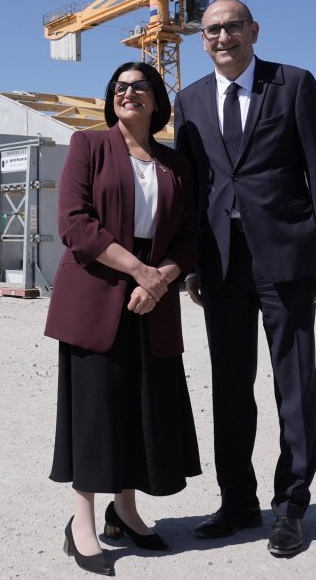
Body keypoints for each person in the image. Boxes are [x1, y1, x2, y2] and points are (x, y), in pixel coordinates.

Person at [174, 0, 316, 557]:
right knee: (229, 387)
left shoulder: (293, 84)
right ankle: (238, 500)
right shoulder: (190, 99)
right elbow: (191, 188)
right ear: (202, 39)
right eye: (212, 30)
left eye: (232, 27)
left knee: (293, 386)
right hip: (221, 263)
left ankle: (291, 505)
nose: (222, 37)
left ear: (253, 30)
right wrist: (192, 261)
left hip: (287, 258)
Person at [46, 62, 201, 575]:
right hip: (98, 292)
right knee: (95, 413)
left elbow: (191, 237)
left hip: (152, 298)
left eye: (139, 87)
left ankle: (126, 509)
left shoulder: (176, 164)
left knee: (140, 408)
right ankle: (82, 520)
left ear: (157, 100)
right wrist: (140, 271)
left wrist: (161, 279)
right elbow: (74, 223)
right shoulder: (87, 147)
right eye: (119, 87)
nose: (127, 93)